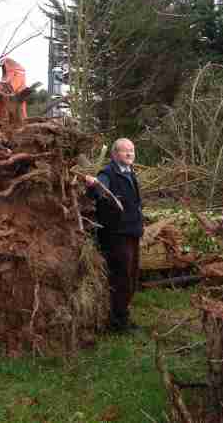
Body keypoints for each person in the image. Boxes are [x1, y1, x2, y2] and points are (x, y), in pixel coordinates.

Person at [85, 138, 143, 333]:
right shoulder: (108, 173)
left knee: (132, 276)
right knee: (121, 278)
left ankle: (123, 315)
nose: (129, 155)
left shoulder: (129, 172)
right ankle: (117, 322)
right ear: (114, 154)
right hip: (116, 235)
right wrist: (93, 185)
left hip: (132, 233)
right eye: (125, 151)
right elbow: (99, 191)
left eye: (132, 151)